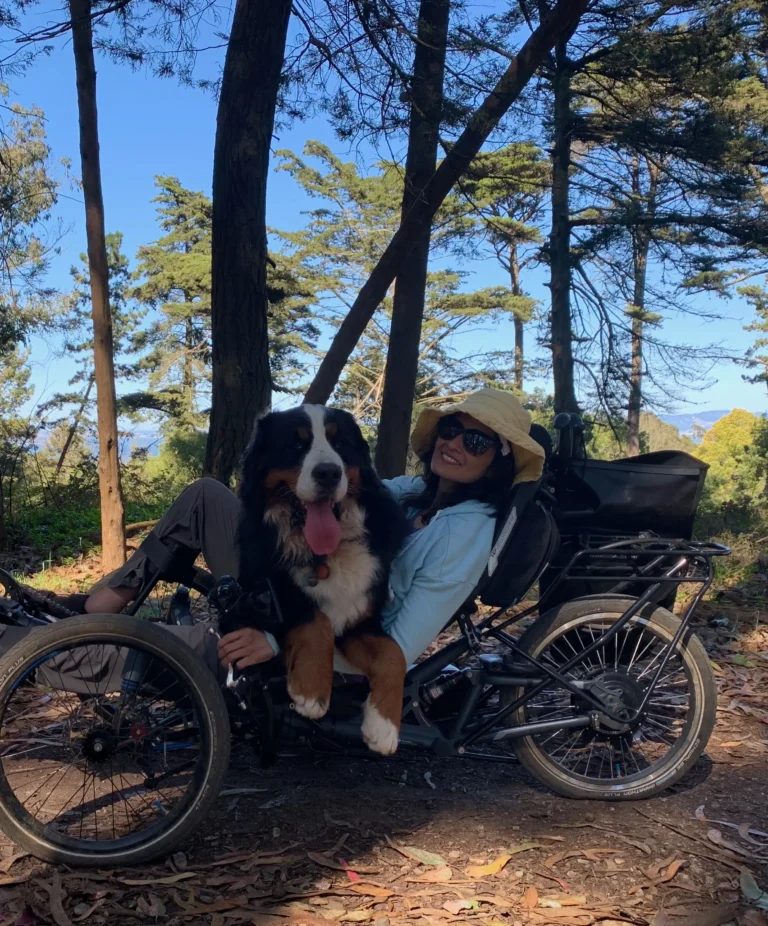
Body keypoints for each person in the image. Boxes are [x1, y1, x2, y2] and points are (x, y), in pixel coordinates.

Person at [15, 389, 545, 678]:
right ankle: (103, 602)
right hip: (287, 584)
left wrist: (276, 639)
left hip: (325, 634)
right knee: (206, 494)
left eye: (476, 440)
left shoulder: (465, 535)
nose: (455, 443)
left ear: (500, 463)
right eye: (450, 429)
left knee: (193, 645)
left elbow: (398, 651)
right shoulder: (412, 493)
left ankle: (31, 651)